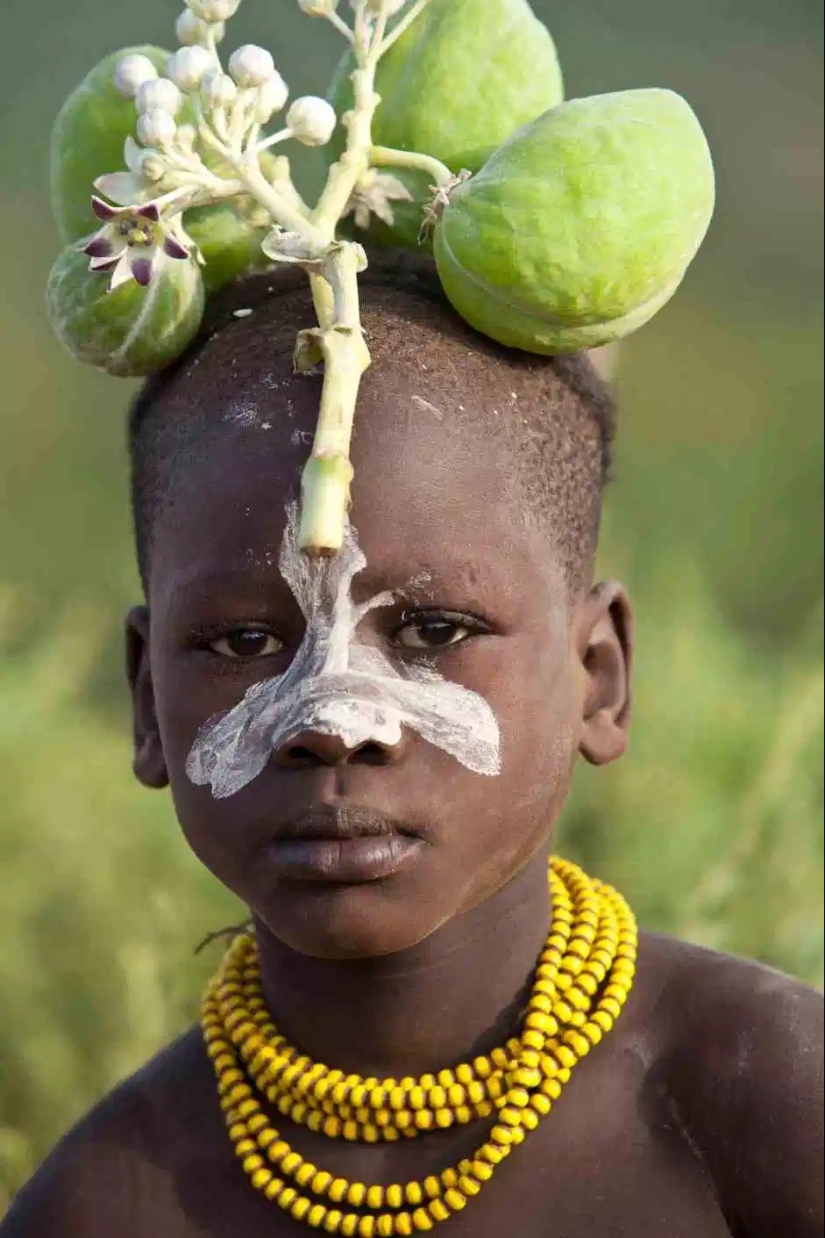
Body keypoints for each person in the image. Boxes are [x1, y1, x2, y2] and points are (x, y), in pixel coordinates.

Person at [2, 255, 822, 1238]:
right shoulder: (105, 1205)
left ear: (597, 673)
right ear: (147, 699)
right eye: (246, 642)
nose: (332, 718)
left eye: (434, 630)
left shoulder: (765, 1098)